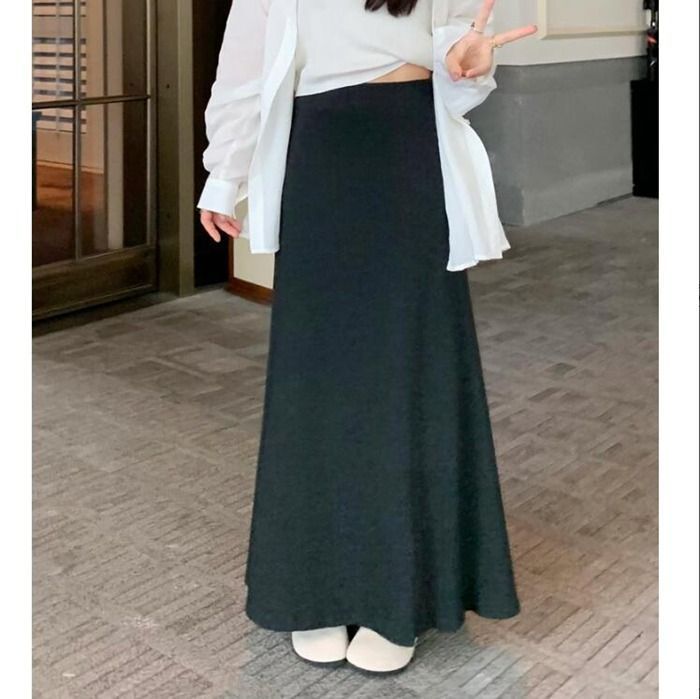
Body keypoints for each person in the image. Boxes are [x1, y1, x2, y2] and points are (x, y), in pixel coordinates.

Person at [198, 0, 537, 675]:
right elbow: (242, 69)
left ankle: (398, 597)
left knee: (407, 367)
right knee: (316, 377)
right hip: (319, 156)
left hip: (410, 152)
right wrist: (224, 173)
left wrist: (469, 67)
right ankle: (313, 587)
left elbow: (458, 54)